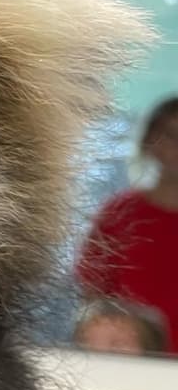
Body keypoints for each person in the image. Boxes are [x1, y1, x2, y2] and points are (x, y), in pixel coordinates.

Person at [76, 96, 178, 354]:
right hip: (130, 363)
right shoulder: (120, 213)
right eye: (171, 134)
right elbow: (92, 293)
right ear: (149, 140)